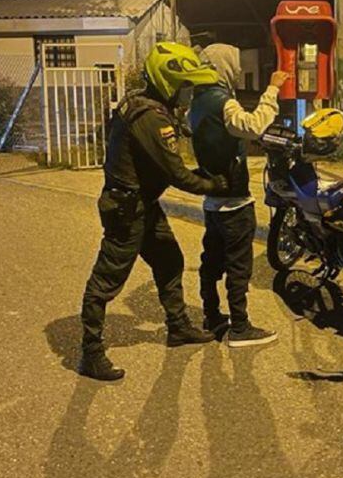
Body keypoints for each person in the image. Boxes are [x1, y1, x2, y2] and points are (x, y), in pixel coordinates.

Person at [77, 42, 229, 382]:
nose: (188, 94)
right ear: (167, 83)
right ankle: (90, 352)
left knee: (169, 260)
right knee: (106, 281)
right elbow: (178, 174)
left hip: (141, 202)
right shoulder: (151, 117)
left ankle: (177, 328)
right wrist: (216, 184)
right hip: (127, 209)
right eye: (185, 86)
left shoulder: (144, 103)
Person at [189, 44, 290, 348]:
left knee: (212, 261)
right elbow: (253, 126)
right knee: (238, 267)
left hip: (212, 200)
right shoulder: (224, 102)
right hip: (234, 201)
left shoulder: (196, 102)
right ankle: (240, 328)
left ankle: (211, 315)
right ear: (225, 67)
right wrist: (272, 89)